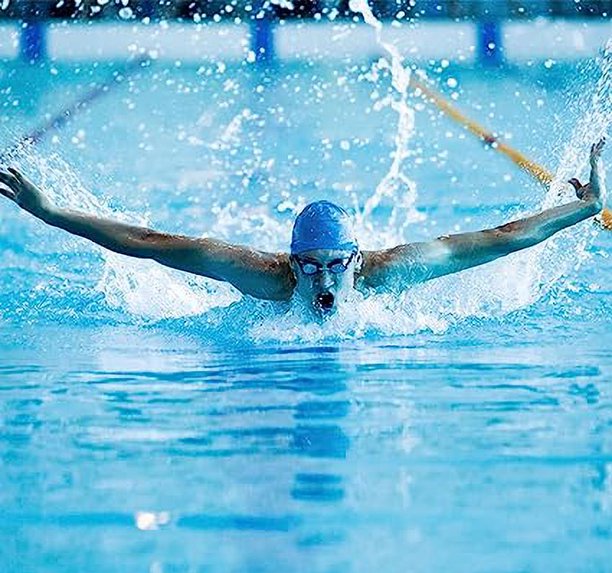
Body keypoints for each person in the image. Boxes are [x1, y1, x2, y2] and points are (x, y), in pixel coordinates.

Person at [0, 139, 606, 318]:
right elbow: (153, 246)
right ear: (289, 262)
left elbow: (501, 239)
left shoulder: (387, 273)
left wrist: (583, 208)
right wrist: (49, 213)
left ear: (356, 259)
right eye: (308, 265)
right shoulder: (261, 278)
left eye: (333, 265)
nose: (321, 282)